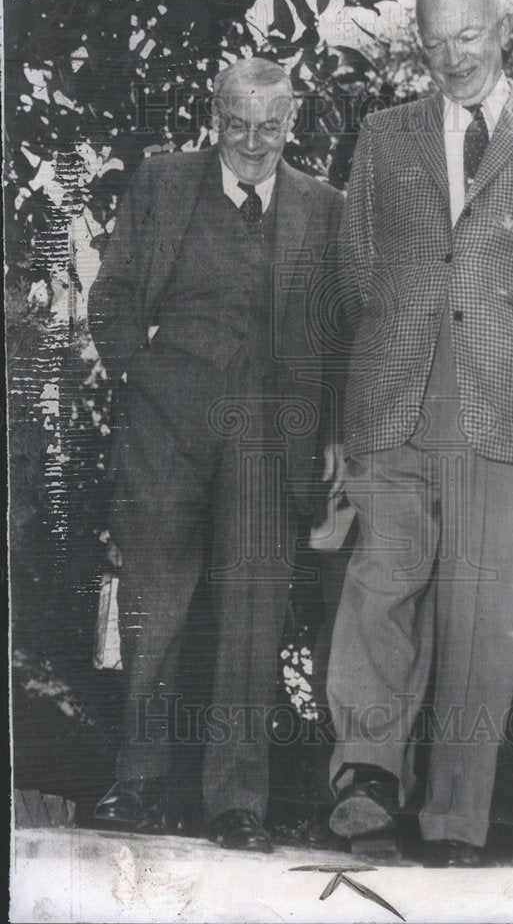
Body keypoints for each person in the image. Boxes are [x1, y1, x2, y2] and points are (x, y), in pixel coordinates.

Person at [325, 0, 513, 866]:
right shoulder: (382, 134)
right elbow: (356, 268)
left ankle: (452, 823)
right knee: (381, 580)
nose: (452, 58)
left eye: (468, 37)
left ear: (500, 31)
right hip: (395, 397)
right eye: (434, 41)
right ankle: (365, 776)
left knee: (487, 618)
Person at [88, 58, 344, 852]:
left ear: (292, 122)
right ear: (215, 115)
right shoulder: (165, 181)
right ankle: (135, 785)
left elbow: (337, 329)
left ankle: (237, 803)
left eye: (271, 126)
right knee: (153, 603)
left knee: (253, 614)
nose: (254, 143)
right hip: (169, 417)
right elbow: (116, 289)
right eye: (238, 124)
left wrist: (333, 430)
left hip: (272, 432)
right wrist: (140, 369)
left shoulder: (322, 206)